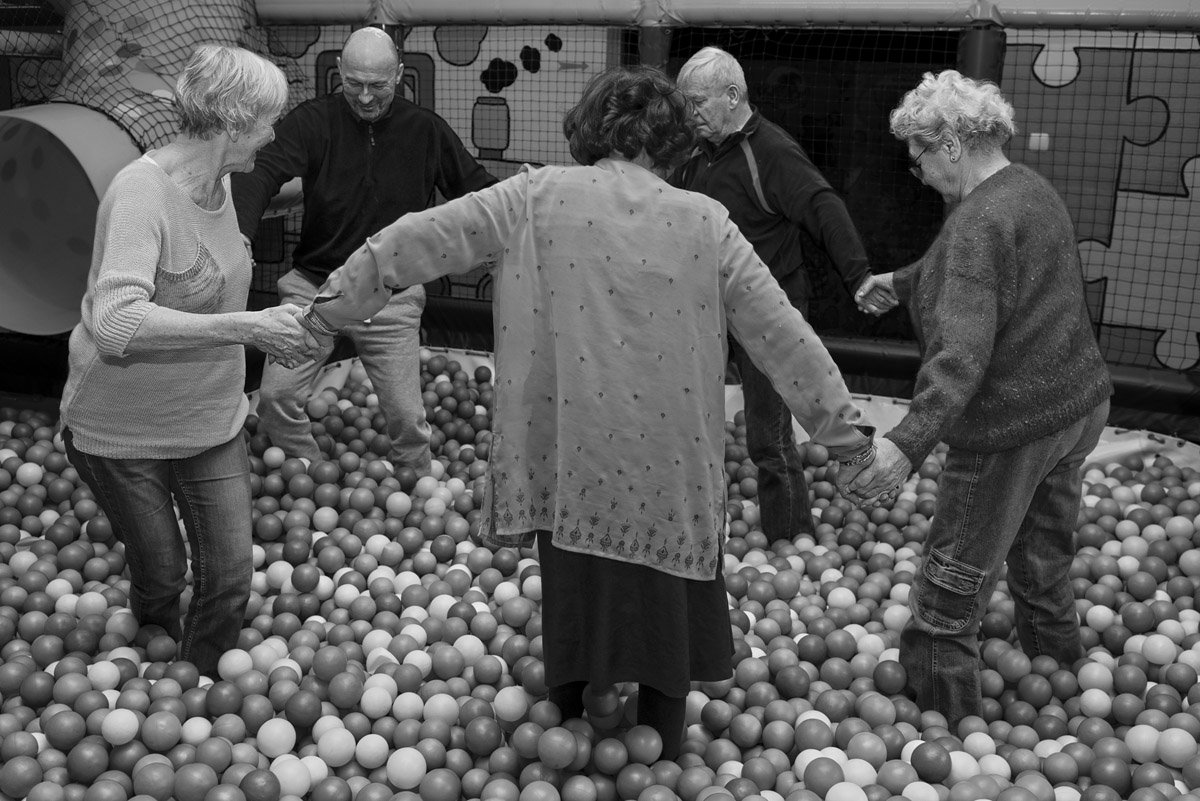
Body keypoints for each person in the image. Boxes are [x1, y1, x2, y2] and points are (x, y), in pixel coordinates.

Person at [293, 65, 885, 758]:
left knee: (573, 592)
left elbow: (412, 241)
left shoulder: (531, 196)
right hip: (668, 464)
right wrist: (848, 439)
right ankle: (662, 743)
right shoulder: (706, 222)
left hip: (568, 452)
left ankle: (569, 715)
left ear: (589, 131)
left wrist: (326, 311)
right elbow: (782, 335)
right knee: (666, 606)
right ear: (675, 145)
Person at [849, 70, 1113, 727]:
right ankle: (1067, 699)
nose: (918, 173)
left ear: (950, 145)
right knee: (1042, 565)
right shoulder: (1027, 188)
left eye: (918, 157)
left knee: (948, 589)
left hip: (1010, 426)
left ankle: (948, 733)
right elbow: (979, 269)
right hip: (1075, 407)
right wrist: (904, 281)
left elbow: (960, 357)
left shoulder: (976, 221)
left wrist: (906, 443)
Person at [59, 45, 318, 676]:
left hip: (209, 417)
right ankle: (150, 671)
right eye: (268, 121)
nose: (274, 134)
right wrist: (244, 328)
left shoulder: (222, 183)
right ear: (233, 121)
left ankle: (199, 682)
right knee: (162, 573)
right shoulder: (141, 192)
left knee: (230, 575)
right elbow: (115, 320)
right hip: (122, 429)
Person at [232, 26, 496, 473]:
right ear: (339, 71)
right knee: (275, 397)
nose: (366, 97)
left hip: (392, 296)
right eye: (354, 83)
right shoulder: (313, 122)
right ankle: (310, 471)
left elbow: (477, 192)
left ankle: (416, 482)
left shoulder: (425, 130)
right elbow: (259, 171)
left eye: (378, 84)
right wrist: (240, 235)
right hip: (315, 291)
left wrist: (525, 213)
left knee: (407, 417)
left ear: (399, 74)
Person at [672, 46, 875, 545]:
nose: (689, 113)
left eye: (697, 102)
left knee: (768, 436)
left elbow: (822, 205)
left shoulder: (770, 151)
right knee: (686, 424)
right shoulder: (694, 153)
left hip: (768, 312)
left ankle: (790, 540)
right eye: (685, 103)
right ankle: (692, 532)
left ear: (732, 96)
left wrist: (859, 276)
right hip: (706, 309)